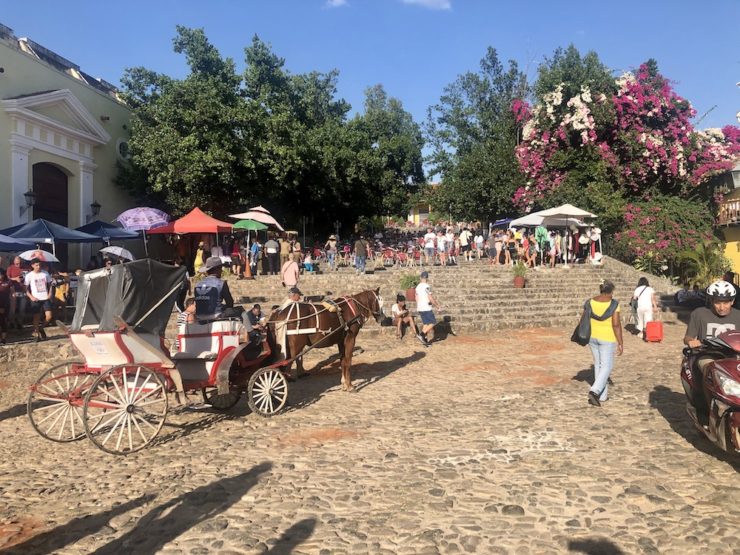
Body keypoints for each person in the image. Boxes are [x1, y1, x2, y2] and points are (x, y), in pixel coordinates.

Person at [683, 280, 740, 426]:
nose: (721, 307)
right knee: (711, 370)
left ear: (732, 301)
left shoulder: (738, 316)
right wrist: (691, 342)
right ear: (711, 301)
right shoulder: (699, 314)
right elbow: (688, 337)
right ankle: (708, 411)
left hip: (733, 356)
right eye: (717, 302)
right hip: (707, 355)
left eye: (726, 302)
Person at [584, 280, 623, 407]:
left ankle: (603, 396)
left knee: (598, 365)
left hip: (592, 336)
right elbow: (616, 324)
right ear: (611, 291)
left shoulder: (590, 302)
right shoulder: (613, 304)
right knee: (607, 366)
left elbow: (584, 318)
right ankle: (595, 391)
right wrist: (620, 342)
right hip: (607, 338)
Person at [25, 259, 54, 342]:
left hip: (45, 297)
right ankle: (36, 334)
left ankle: (41, 328)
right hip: (35, 298)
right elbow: (25, 288)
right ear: (32, 265)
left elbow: (50, 284)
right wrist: (31, 297)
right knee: (36, 317)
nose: (38, 267)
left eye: (40, 265)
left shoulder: (45, 273)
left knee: (49, 316)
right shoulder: (29, 275)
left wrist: (50, 294)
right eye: (37, 265)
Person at [415, 271, 440, 346]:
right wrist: (437, 306)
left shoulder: (417, 287)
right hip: (426, 307)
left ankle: (425, 341)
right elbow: (430, 297)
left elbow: (416, 298)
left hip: (420, 307)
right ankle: (421, 335)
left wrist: (419, 305)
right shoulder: (427, 286)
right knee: (433, 322)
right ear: (427, 278)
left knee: (426, 324)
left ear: (420, 278)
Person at [6, 256, 26, 330]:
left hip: (23, 291)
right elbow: (7, 278)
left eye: (20, 263)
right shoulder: (10, 268)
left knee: (22, 308)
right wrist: (15, 279)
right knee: (12, 309)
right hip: (13, 291)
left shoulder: (25, 268)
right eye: (17, 263)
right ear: (14, 262)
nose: (19, 265)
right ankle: (12, 322)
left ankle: (20, 323)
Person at [0, 268, 11, 344]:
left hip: (4, 305)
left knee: (3, 321)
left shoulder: (7, 282)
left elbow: (11, 294)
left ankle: (3, 339)